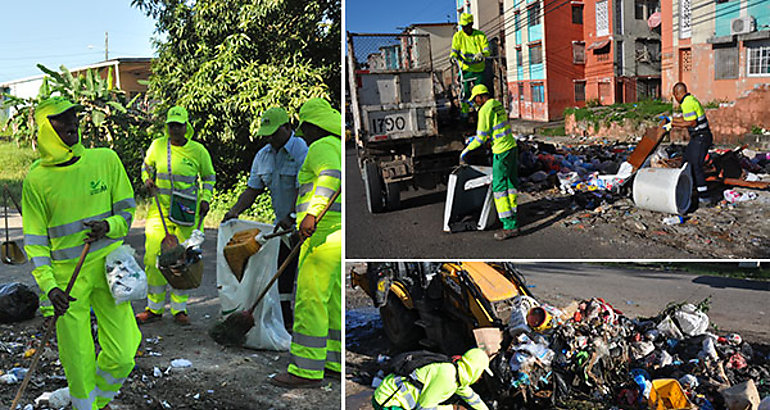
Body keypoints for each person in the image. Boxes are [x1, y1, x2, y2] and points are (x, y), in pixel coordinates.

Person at [22, 96, 141, 410]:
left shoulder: (105, 160)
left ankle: (96, 399)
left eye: (75, 117)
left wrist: (109, 225)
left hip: (109, 268)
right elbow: (35, 242)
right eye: (62, 119)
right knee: (77, 356)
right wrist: (50, 288)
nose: (73, 123)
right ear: (46, 128)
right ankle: (84, 405)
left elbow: (127, 212)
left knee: (124, 352)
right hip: (66, 281)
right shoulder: (37, 180)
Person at [271, 98, 342, 388]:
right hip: (336, 236)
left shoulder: (321, 147)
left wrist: (311, 214)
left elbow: (330, 177)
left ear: (314, 127)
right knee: (332, 301)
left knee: (310, 300)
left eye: (305, 129)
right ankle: (333, 362)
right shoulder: (337, 144)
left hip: (322, 236)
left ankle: (305, 369)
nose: (304, 135)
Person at [222, 107, 308, 327]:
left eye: (274, 133)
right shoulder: (263, 155)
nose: (270, 138)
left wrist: (292, 215)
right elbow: (253, 189)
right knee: (282, 274)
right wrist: (235, 210)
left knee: (309, 276)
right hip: (283, 227)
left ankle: (310, 322)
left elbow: (305, 188)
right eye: (267, 134)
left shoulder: (301, 150)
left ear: (288, 127)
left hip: (307, 223)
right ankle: (285, 320)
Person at [135, 106, 215, 326]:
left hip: (186, 212)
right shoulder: (158, 146)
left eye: (179, 125)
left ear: (186, 127)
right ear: (166, 127)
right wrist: (147, 180)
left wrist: (206, 198)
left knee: (182, 260)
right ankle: (154, 308)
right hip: (159, 211)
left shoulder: (198, 151)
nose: (175, 130)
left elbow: (209, 177)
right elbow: (146, 166)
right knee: (153, 259)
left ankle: (180, 309)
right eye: (171, 125)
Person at [460, 84, 520, 241]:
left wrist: (465, 151)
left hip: (500, 151)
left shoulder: (485, 110)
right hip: (511, 147)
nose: (475, 102)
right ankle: (513, 217)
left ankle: (509, 226)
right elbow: (496, 129)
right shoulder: (497, 104)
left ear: (480, 96)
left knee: (499, 188)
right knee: (511, 184)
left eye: (475, 99)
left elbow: (480, 138)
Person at [371, 348, 492, 410]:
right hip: (388, 402)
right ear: (474, 369)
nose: (481, 377)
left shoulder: (458, 376)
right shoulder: (446, 376)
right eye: (481, 373)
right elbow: (425, 408)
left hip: (393, 399)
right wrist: (453, 408)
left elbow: (473, 399)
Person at [667, 82, 713, 204]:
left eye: (674, 96)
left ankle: (704, 196)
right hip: (698, 137)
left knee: (696, 165)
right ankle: (689, 188)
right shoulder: (690, 100)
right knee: (686, 162)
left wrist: (673, 124)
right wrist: (671, 119)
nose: (675, 99)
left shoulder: (687, 103)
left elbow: (692, 123)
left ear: (677, 93)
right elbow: (687, 119)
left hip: (701, 137)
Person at [450, 12, 490, 115]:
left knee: (479, 93)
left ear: (471, 25)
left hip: (478, 69)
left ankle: (481, 111)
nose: (464, 28)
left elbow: (486, 50)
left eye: (466, 26)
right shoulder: (458, 36)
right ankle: (465, 112)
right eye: (462, 26)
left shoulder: (480, 36)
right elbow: (454, 50)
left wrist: (482, 54)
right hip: (465, 69)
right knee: (465, 92)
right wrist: (453, 57)